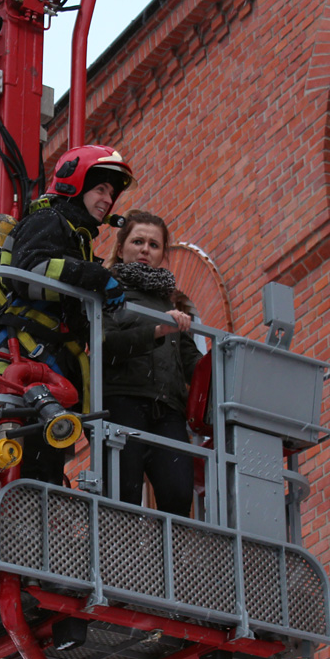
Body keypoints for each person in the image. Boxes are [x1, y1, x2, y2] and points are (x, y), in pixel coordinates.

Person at [0, 144, 137, 486]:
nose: (107, 200)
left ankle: (29, 525)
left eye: (111, 194)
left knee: (43, 469)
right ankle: (15, 525)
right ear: (75, 184)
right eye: (100, 189)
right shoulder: (48, 221)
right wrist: (96, 278)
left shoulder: (74, 235)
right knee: (25, 466)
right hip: (23, 359)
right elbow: (31, 273)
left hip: (46, 366)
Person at [102, 210, 202, 517]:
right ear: (121, 249)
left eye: (154, 245)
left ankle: (170, 562)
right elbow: (105, 345)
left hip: (168, 408)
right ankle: (123, 559)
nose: (146, 249)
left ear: (162, 255)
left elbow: (191, 362)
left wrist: (225, 369)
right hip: (123, 401)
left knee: (178, 492)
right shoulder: (106, 292)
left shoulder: (168, 304)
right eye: (138, 241)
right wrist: (157, 331)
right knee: (124, 493)